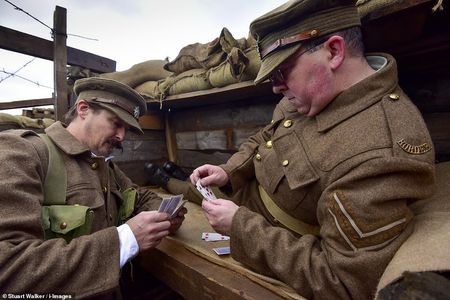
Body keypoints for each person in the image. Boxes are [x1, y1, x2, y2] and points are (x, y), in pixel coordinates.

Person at [190, 0, 436, 299]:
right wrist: (229, 172)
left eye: (282, 71)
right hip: (239, 198)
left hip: (262, 233)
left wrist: (240, 226)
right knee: (183, 188)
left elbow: (340, 281)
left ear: (333, 51)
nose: (276, 87)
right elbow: (266, 135)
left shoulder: (380, 153)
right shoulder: (311, 93)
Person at [0, 77, 186, 298]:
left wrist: (164, 216)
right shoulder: (25, 154)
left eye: (126, 128)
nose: (121, 136)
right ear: (83, 109)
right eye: (116, 123)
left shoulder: (105, 165)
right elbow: (10, 268)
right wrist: (125, 240)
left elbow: (139, 196)